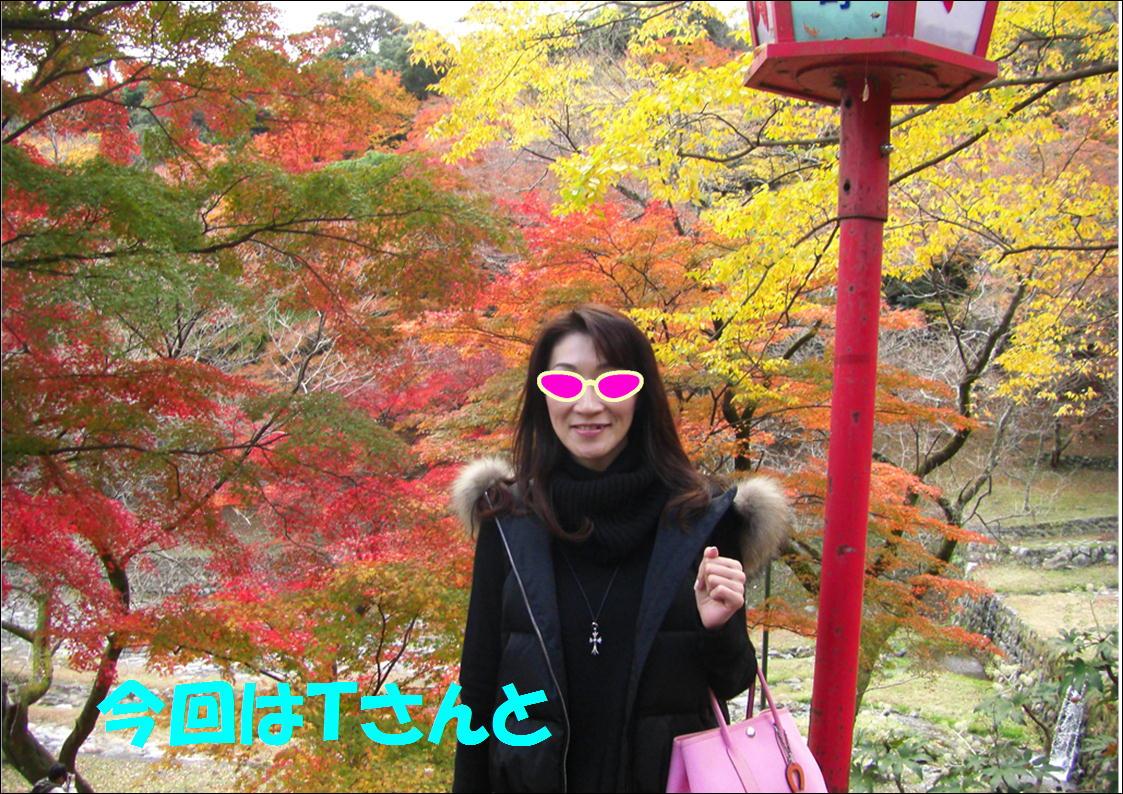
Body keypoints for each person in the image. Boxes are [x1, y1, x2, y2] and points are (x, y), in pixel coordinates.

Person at [450, 304, 793, 792]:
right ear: (543, 396)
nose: (588, 404)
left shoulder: (700, 518)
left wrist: (717, 628)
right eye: (565, 383)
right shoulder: (508, 519)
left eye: (613, 383)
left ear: (641, 395)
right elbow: (479, 687)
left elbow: (732, 681)